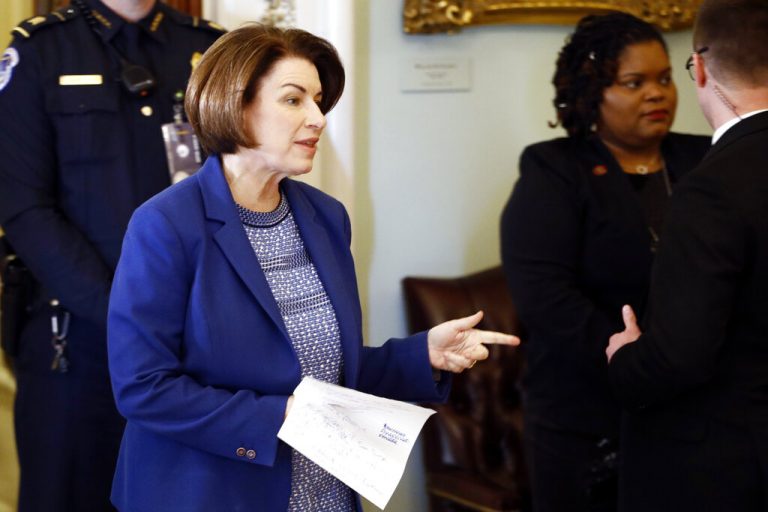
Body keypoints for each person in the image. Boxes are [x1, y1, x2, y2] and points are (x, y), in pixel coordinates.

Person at [106, 24, 519, 512]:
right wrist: (280, 415)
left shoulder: (325, 216)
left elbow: (324, 369)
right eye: (294, 100)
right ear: (235, 104)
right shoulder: (165, 223)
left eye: (319, 101)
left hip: (324, 492)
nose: (318, 118)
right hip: (213, 493)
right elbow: (143, 388)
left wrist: (421, 354)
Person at [0, 1, 224, 510]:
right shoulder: (39, 50)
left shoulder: (209, 50)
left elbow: (237, 188)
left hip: (195, 337)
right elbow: (24, 208)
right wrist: (125, 314)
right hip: (76, 343)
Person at [499, 13, 711, 512]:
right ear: (594, 93)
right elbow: (545, 298)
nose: (658, 94)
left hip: (692, 409)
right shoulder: (553, 169)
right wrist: (636, 361)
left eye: (664, 78)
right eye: (634, 83)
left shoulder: (705, 158)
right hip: (584, 415)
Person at [606, 1, 768, 510]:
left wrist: (625, 357)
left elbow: (680, 357)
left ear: (698, 67)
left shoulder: (713, 188)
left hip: (729, 466)